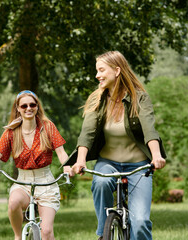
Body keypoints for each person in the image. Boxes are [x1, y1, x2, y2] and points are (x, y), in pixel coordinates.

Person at [67, 51, 167, 240]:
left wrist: (156, 155)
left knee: (140, 223)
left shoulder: (140, 98)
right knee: (101, 182)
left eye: (101, 70)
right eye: (97, 71)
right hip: (108, 163)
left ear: (117, 70)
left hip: (139, 166)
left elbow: (149, 129)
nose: (97, 75)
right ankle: (103, 233)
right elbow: (87, 133)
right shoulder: (98, 100)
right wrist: (80, 161)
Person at [0, 90, 72, 240]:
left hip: (46, 183)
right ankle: (18, 236)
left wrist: (67, 166)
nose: (28, 108)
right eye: (24, 106)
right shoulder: (11, 132)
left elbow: (62, 153)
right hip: (23, 182)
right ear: (18, 108)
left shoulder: (48, 127)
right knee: (13, 203)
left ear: (37, 107)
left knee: (46, 232)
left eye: (32, 104)